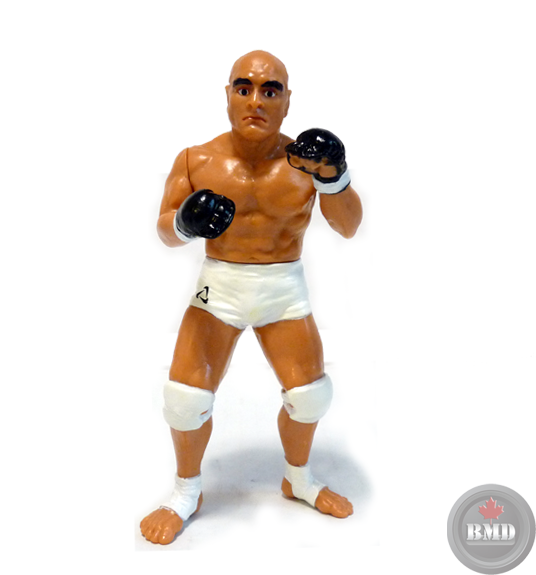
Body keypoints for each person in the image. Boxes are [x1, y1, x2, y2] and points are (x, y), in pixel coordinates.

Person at [140, 50, 363, 545]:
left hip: (282, 287)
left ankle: (298, 480)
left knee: (310, 396)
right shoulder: (197, 159)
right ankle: (186, 492)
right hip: (219, 285)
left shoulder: (305, 162)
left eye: (270, 90)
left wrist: (336, 175)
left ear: (287, 101)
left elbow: (348, 227)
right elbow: (165, 231)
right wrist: (186, 222)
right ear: (228, 96)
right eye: (244, 88)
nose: (256, 100)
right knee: (184, 399)